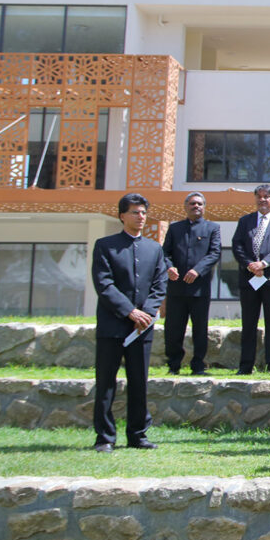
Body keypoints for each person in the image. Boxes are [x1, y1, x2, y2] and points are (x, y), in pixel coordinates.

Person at [91, 193, 168, 452]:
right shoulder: (105, 245)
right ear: (122, 215)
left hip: (142, 328)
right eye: (135, 212)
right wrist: (129, 312)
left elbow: (160, 284)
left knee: (139, 381)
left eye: (144, 212)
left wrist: (145, 313)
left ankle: (138, 435)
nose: (141, 217)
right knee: (106, 383)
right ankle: (105, 438)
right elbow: (104, 284)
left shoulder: (154, 249)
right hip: (113, 325)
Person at [230, 184, 270, 375]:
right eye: (259, 196)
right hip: (249, 278)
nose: (262, 200)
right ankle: (245, 366)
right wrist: (250, 264)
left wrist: (264, 264)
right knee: (248, 323)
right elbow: (237, 245)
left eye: (267, 196)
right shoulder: (245, 221)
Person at [162, 191, 221, 375]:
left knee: (200, 329)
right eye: (193, 203)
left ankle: (198, 365)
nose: (196, 206)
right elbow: (164, 253)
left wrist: (197, 270)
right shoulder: (175, 228)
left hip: (199, 289)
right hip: (176, 288)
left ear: (204, 207)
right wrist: (169, 267)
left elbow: (214, 253)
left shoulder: (212, 228)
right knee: (173, 329)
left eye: (200, 204)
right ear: (185, 207)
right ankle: (173, 365)